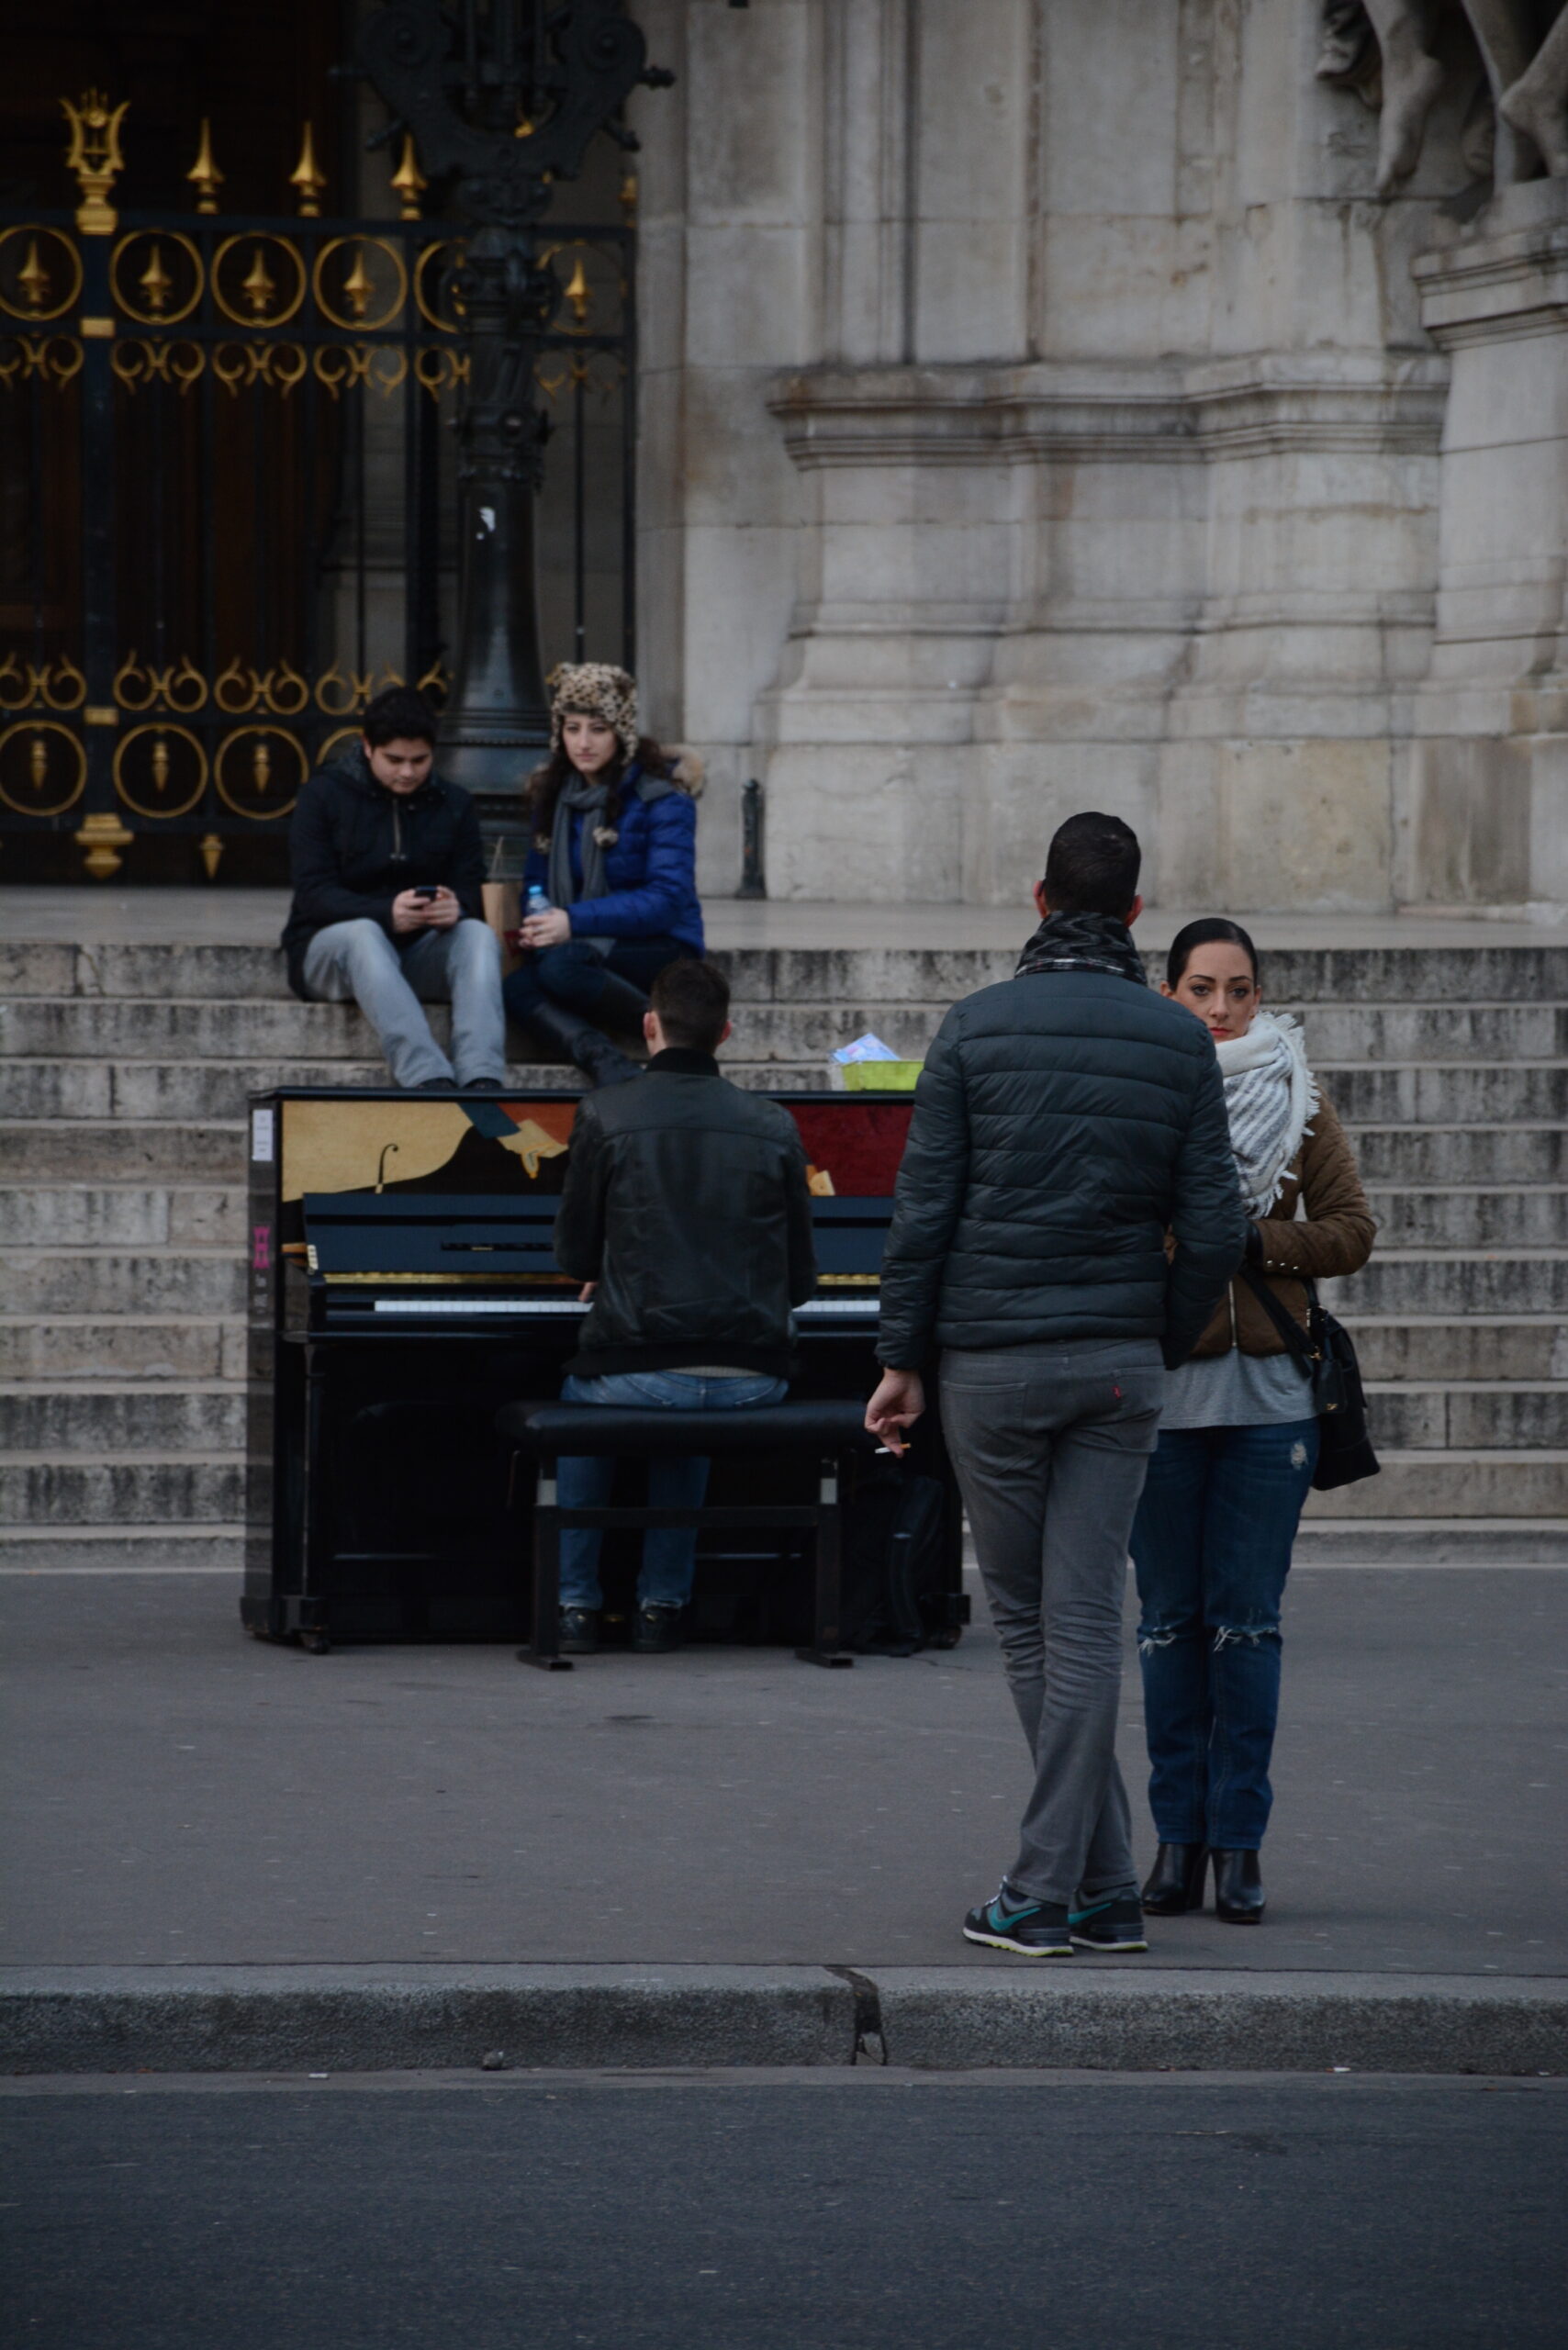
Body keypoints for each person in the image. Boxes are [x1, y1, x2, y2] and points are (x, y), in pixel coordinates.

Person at [865, 813, 1250, 1958]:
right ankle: (1107, 1885)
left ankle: (1040, 1893)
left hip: (989, 1362)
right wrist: (1161, 1335)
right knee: (1087, 1625)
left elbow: (921, 1214)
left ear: (1039, 902)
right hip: (1119, 1366)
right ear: (1134, 914)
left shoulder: (975, 1029)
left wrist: (898, 1361)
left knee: (1033, 1627)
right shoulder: (1177, 1042)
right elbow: (1219, 1228)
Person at [1129, 920, 1376, 1924]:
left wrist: (1248, 1239)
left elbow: (1350, 1231)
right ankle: (1173, 1840)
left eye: (1237, 990)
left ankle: (1237, 1844)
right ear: (1168, 992)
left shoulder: (1296, 1094)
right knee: (1165, 1627)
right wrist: (1184, 1246)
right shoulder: (1142, 1096)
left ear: (1260, 997)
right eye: (1200, 988)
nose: (1221, 1009)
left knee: (1247, 1625)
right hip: (1164, 1400)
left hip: (1272, 1400)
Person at [549, 956, 817, 1654]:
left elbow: (573, 1260)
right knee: (693, 1396)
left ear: (648, 1026)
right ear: (725, 1033)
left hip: (642, 1371)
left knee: (589, 1397)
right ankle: (661, 1607)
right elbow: (802, 1283)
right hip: (753, 1381)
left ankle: (574, 1604)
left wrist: (608, 1269)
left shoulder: (606, 1113)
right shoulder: (773, 1124)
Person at [282, 687, 506, 1092]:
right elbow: (313, 895)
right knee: (363, 932)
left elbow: (472, 888)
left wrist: (457, 907)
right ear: (368, 748)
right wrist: (387, 913)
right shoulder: (322, 796)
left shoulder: (453, 802)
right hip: (329, 954)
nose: (407, 772)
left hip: (416, 955)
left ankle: (482, 1077)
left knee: (475, 934)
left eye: (419, 760)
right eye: (395, 760)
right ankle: (428, 1078)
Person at [503, 663, 704, 1089]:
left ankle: (676, 1039)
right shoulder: (553, 796)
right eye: (571, 728)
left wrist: (572, 921)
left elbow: (666, 900)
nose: (583, 743)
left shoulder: (663, 798)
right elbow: (535, 877)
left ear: (622, 732)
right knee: (517, 986)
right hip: (578, 945)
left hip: (659, 945)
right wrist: (537, 920)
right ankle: (607, 1063)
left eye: (598, 729)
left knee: (562, 968)